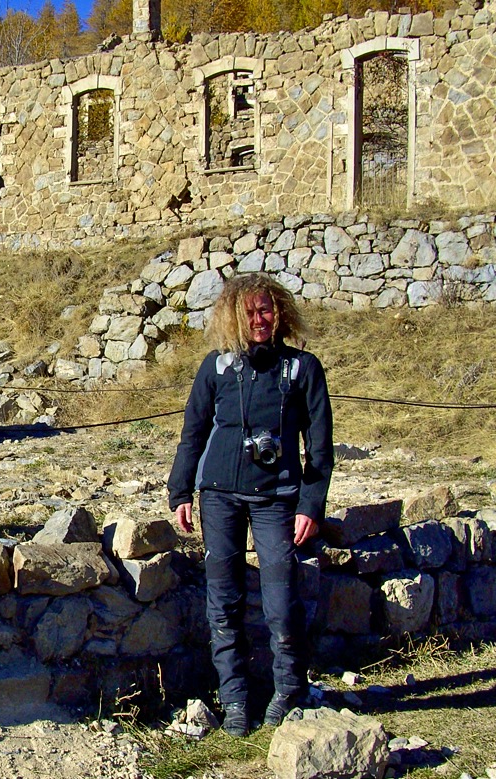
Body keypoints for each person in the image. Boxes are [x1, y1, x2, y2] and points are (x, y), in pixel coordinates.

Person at [167, 272, 334, 736]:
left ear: (279, 312)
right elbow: (193, 434)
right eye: (250, 312)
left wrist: (310, 506)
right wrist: (180, 493)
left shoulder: (303, 369)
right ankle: (235, 700)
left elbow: (319, 451)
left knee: (281, 599)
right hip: (219, 495)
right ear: (233, 317)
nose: (259, 320)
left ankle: (288, 693)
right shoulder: (215, 368)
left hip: (278, 499)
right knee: (223, 599)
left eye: (266, 310)